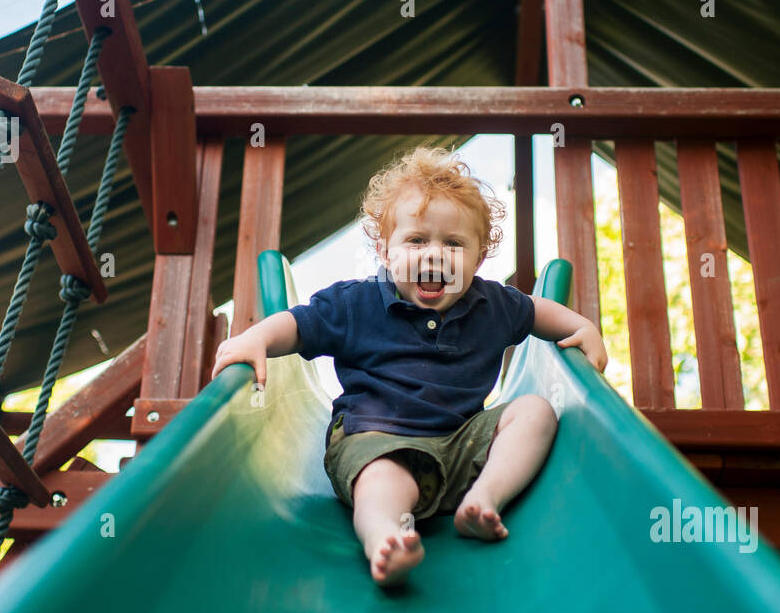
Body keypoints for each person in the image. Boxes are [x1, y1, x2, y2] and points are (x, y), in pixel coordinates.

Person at [211, 147, 608, 586]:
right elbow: (299, 325)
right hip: (376, 439)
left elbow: (538, 312)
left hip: (460, 444)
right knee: (382, 481)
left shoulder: (491, 303)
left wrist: (583, 327)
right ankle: (384, 538)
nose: (434, 255)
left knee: (536, 411)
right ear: (385, 250)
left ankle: (483, 499)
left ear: (477, 260)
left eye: (453, 244)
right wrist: (255, 339)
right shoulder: (355, 302)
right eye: (417, 240)